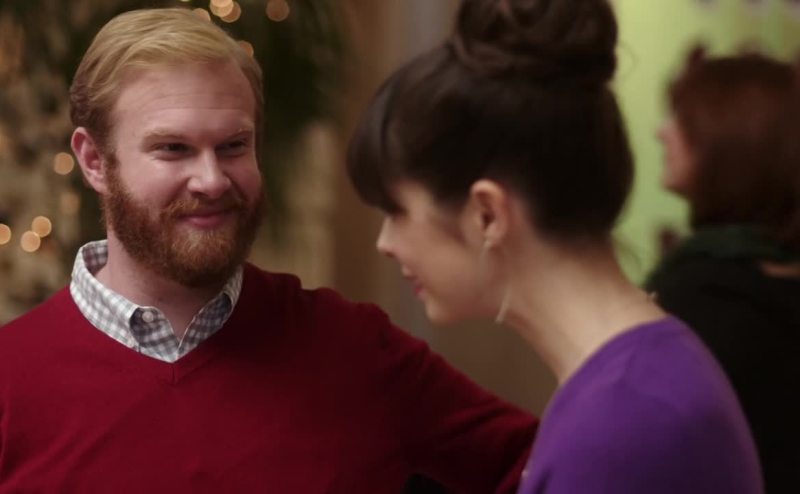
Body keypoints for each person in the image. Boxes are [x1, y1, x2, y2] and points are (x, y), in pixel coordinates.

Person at [0, 8, 538, 493]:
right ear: (94, 161)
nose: (212, 180)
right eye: (173, 149)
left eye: (234, 146)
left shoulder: (357, 350)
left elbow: (552, 468)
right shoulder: (10, 382)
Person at [347, 0, 763, 492]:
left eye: (397, 211)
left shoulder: (622, 424)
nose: (386, 243)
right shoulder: (637, 381)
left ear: (487, 213)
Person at [647, 48, 800, 492]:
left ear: (730, 142)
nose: (662, 132)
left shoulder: (701, 300)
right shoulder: (768, 281)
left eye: (682, 120)